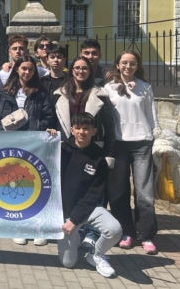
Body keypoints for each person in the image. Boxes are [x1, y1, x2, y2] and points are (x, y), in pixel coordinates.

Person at [0, 55, 56, 246]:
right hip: (13, 145)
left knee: (36, 185)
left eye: (30, 69)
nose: (27, 72)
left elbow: (49, 117)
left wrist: (30, 126)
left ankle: (38, 227)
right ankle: (19, 226)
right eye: (23, 69)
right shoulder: (6, 92)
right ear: (17, 70)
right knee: (14, 185)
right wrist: (8, 128)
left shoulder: (40, 92)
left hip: (34, 145)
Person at [104, 51, 160, 255]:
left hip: (142, 143)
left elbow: (151, 115)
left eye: (132, 63)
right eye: (124, 63)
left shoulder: (145, 87)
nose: (128, 66)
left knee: (144, 192)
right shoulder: (108, 88)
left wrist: (157, 137)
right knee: (119, 191)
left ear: (137, 66)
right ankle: (126, 232)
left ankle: (147, 235)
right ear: (117, 65)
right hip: (118, 144)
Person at [58, 113, 122, 279]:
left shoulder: (99, 158)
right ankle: (77, 237)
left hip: (87, 210)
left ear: (94, 131)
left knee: (114, 229)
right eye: (78, 128)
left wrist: (75, 220)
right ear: (71, 130)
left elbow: (94, 194)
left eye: (86, 129)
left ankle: (96, 254)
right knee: (68, 263)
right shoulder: (61, 150)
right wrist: (48, 136)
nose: (82, 132)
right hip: (64, 212)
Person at [53, 56, 116, 163]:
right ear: (72, 70)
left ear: (90, 71)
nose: (80, 71)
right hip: (66, 148)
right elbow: (54, 123)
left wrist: (108, 154)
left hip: (93, 148)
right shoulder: (59, 95)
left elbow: (109, 127)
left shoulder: (101, 95)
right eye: (77, 68)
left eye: (85, 68)